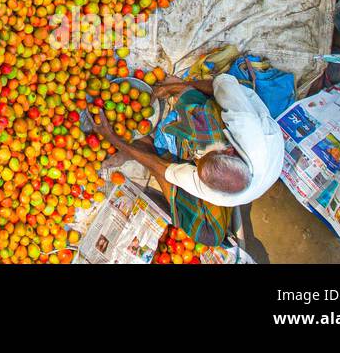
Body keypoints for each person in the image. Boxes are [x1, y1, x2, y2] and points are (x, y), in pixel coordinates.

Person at [95, 72, 284, 246]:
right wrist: (179, 86)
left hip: (239, 159)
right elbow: (220, 84)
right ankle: (184, 93)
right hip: (237, 121)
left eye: (198, 161)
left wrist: (115, 140)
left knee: (209, 235)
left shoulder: (213, 191)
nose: (196, 159)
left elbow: (164, 170)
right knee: (203, 123)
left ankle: (147, 146)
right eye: (199, 161)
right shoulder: (242, 120)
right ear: (229, 151)